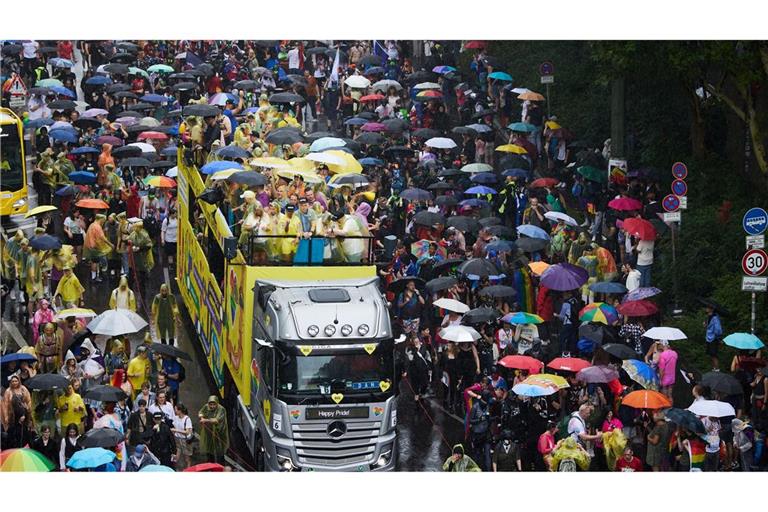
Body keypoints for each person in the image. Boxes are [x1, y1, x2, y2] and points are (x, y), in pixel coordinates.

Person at [198, 395, 229, 464]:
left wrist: (205, 420)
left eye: (214, 404)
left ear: (217, 403)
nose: (212, 406)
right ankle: (210, 464)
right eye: (210, 404)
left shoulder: (221, 409)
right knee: (210, 449)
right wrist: (201, 417)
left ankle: (221, 465)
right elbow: (200, 412)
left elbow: (216, 420)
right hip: (209, 432)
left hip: (219, 433)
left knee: (219, 451)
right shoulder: (206, 406)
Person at [171, 403, 194, 471]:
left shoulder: (187, 419)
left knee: (187, 457)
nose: (174, 411)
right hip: (177, 439)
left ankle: (188, 469)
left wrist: (176, 430)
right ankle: (175, 468)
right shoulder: (176, 418)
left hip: (185, 440)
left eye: (175, 409)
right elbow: (174, 426)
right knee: (176, 456)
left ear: (180, 410)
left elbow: (187, 432)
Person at [704, 303, 723, 370]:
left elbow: (718, 330)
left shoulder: (715, 318)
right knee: (711, 355)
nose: (706, 308)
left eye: (708, 307)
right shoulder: (708, 317)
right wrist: (706, 325)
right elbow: (708, 327)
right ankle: (714, 368)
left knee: (714, 354)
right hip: (708, 338)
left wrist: (718, 337)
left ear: (711, 309)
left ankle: (717, 369)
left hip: (713, 338)